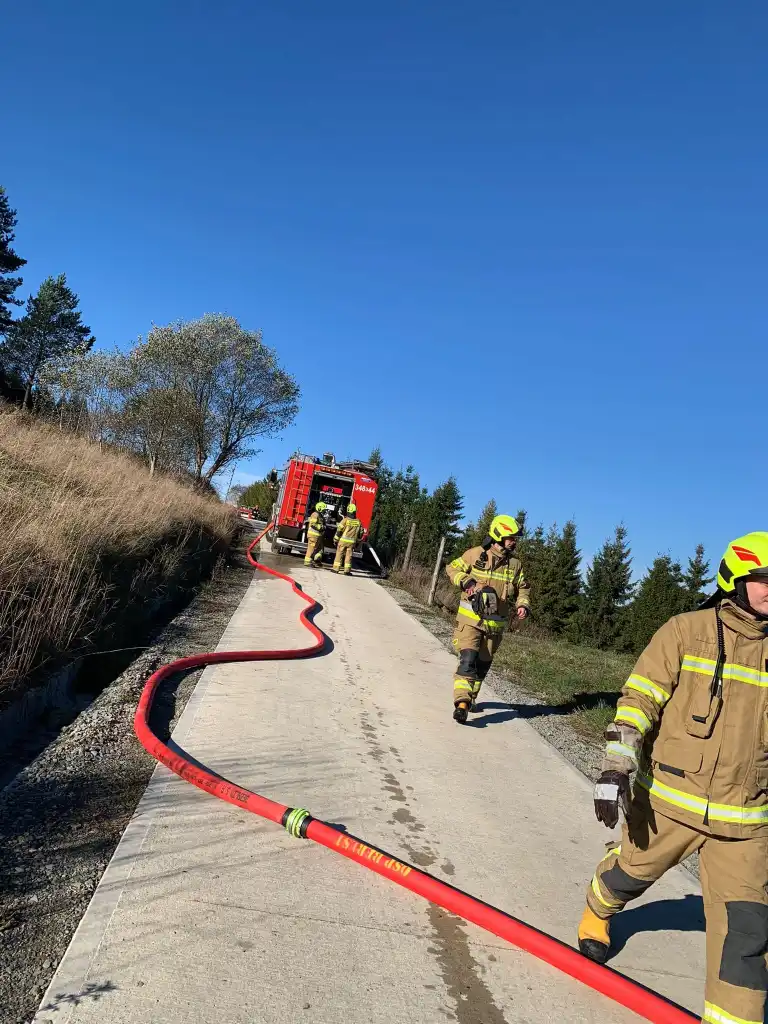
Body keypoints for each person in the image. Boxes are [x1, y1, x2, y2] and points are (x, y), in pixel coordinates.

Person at [579, 532, 768, 1024]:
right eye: (763, 580)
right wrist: (616, 766)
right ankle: (598, 910)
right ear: (735, 579)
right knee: (628, 876)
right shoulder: (686, 631)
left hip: (746, 823)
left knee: (746, 939)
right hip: (668, 803)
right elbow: (639, 700)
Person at [445, 514, 530, 723]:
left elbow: (524, 588)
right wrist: (465, 581)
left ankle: (471, 698)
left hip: (495, 628)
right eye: (511, 537)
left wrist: (523, 605)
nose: (514, 541)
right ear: (499, 535)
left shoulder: (515, 565)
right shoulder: (475, 554)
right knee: (467, 661)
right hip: (470, 622)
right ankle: (461, 704)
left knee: (482, 667)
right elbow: (452, 568)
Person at [333, 503, 364, 575]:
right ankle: (347, 571)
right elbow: (361, 533)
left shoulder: (345, 520)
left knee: (339, 554)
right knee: (348, 556)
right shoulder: (358, 522)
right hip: (352, 543)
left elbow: (339, 530)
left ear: (348, 511)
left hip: (343, 541)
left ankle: (336, 569)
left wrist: (335, 540)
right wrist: (357, 542)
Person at [303, 502, 327, 567]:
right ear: (319, 508)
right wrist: (321, 527)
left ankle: (317, 560)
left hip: (318, 536)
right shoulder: (315, 514)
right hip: (313, 535)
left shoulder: (320, 515)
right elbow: (313, 524)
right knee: (311, 549)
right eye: (323, 509)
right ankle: (307, 562)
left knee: (319, 549)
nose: (324, 511)